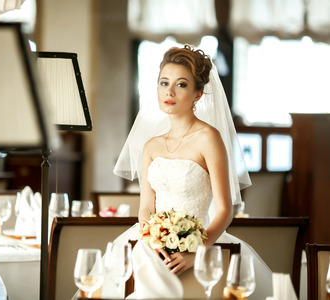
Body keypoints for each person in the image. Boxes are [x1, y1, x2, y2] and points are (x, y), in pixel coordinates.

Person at [112, 45, 273, 298]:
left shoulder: (209, 137)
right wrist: (153, 239)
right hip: (153, 245)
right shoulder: (150, 146)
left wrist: (196, 250)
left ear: (198, 94)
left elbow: (225, 209)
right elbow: (145, 207)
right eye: (164, 83)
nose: (170, 91)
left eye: (182, 85)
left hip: (200, 242)